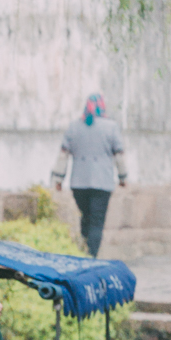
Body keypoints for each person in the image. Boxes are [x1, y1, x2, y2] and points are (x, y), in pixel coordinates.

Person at [51, 93, 127, 258]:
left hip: (79, 183)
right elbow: (119, 155)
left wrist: (58, 179)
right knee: (96, 222)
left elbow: (63, 155)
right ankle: (91, 256)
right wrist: (123, 178)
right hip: (102, 183)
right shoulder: (111, 127)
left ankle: (84, 253)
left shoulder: (74, 127)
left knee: (85, 218)